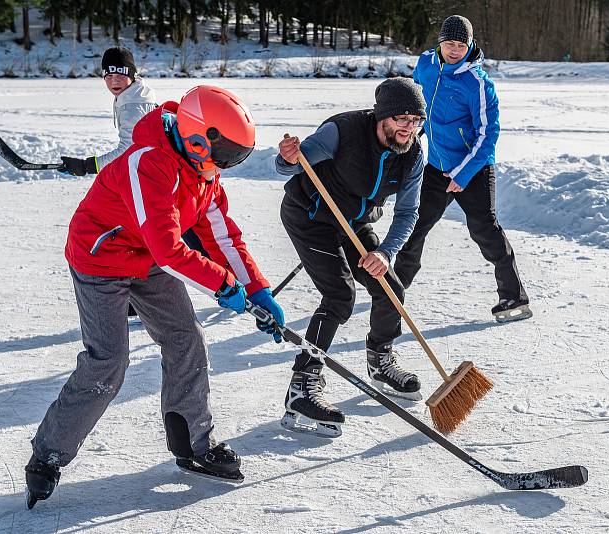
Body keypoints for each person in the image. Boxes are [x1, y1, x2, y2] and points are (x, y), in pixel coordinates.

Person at [24, 85, 285, 508]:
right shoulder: (151, 162)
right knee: (107, 361)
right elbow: (169, 248)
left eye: (236, 158)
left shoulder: (204, 174)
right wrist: (224, 287)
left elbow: (220, 234)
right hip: (101, 257)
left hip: (144, 259)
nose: (226, 167)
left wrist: (257, 289)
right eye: (226, 156)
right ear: (200, 138)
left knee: (186, 338)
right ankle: (48, 454)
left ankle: (193, 443)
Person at [275, 78, 426, 437]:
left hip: (354, 222)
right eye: (401, 118)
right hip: (311, 216)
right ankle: (303, 385)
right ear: (382, 116)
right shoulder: (341, 131)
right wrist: (287, 157)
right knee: (340, 296)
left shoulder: (414, 153)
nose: (408, 127)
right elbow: (288, 167)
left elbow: (409, 212)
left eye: (416, 120)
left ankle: (380, 360)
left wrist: (385, 252)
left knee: (389, 286)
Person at [394, 15, 532, 323]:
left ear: (469, 46)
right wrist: (411, 133)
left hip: (474, 169)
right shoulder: (427, 64)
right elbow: (416, 103)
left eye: (461, 45)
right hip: (437, 165)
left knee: (485, 229)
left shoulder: (478, 83)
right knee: (415, 225)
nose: (455, 50)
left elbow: (488, 134)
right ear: (440, 42)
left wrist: (464, 173)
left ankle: (514, 296)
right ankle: (397, 285)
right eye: (450, 44)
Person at [59, 46, 157, 177]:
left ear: (132, 75)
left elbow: (129, 151)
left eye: (120, 75)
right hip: (143, 167)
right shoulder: (135, 94)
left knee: (99, 194)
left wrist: (87, 166)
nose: (114, 81)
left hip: (148, 173)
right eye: (109, 75)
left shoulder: (133, 106)